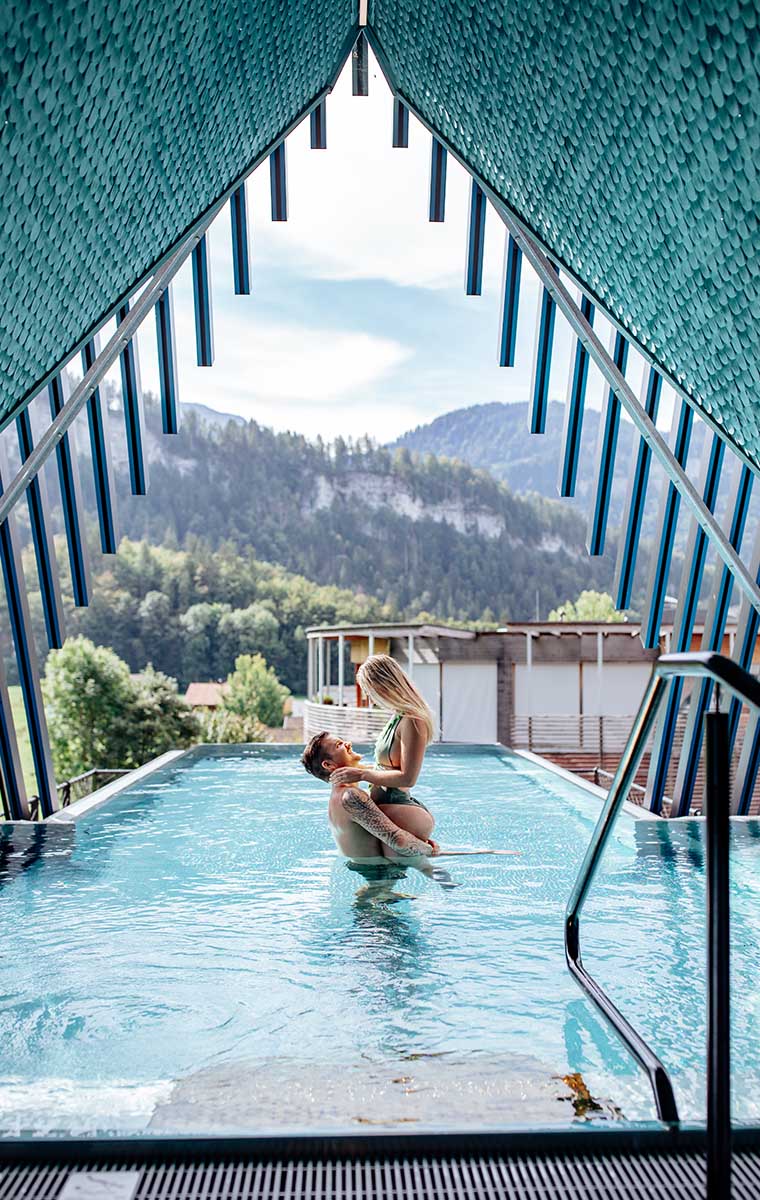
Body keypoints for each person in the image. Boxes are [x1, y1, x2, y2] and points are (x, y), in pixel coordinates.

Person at [301, 731, 455, 898]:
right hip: (377, 870)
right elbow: (398, 840)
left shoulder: (340, 794)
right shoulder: (351, 797)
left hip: (371, 868)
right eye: (339, 745)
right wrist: (429, 849)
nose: (348, 743)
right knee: (386, 920)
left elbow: (379, 771)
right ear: (329, 765)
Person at [330, 654, 434, 810]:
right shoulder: (397, 717)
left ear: (382, 686)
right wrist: (356, 770)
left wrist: (361, 775)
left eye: (369, 692)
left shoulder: (413, 721)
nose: (370, 699)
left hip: (399, 806)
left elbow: (408, 778)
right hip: (388, 805)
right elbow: (385, 768)